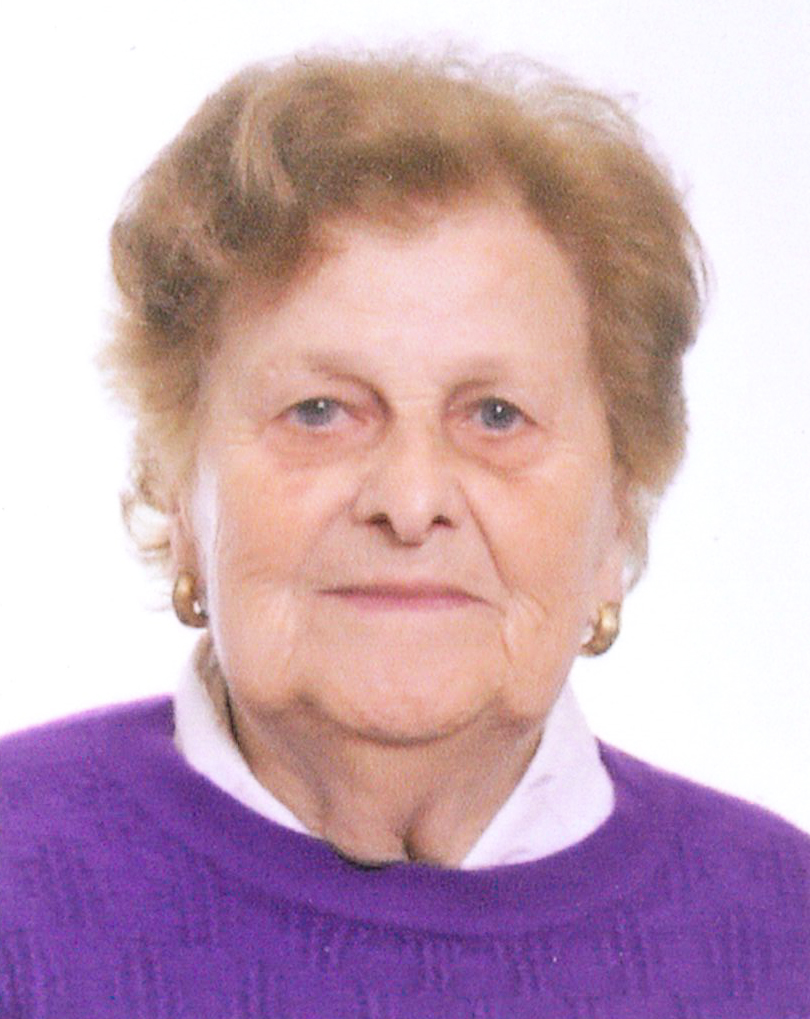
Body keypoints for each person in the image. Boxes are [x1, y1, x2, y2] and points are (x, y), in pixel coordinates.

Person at [1, 51, 808, 1019]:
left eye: (497, 415)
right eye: (319, 411)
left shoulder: (784, 930)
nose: (412, 499)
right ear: (176, 489)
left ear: (620, 515)